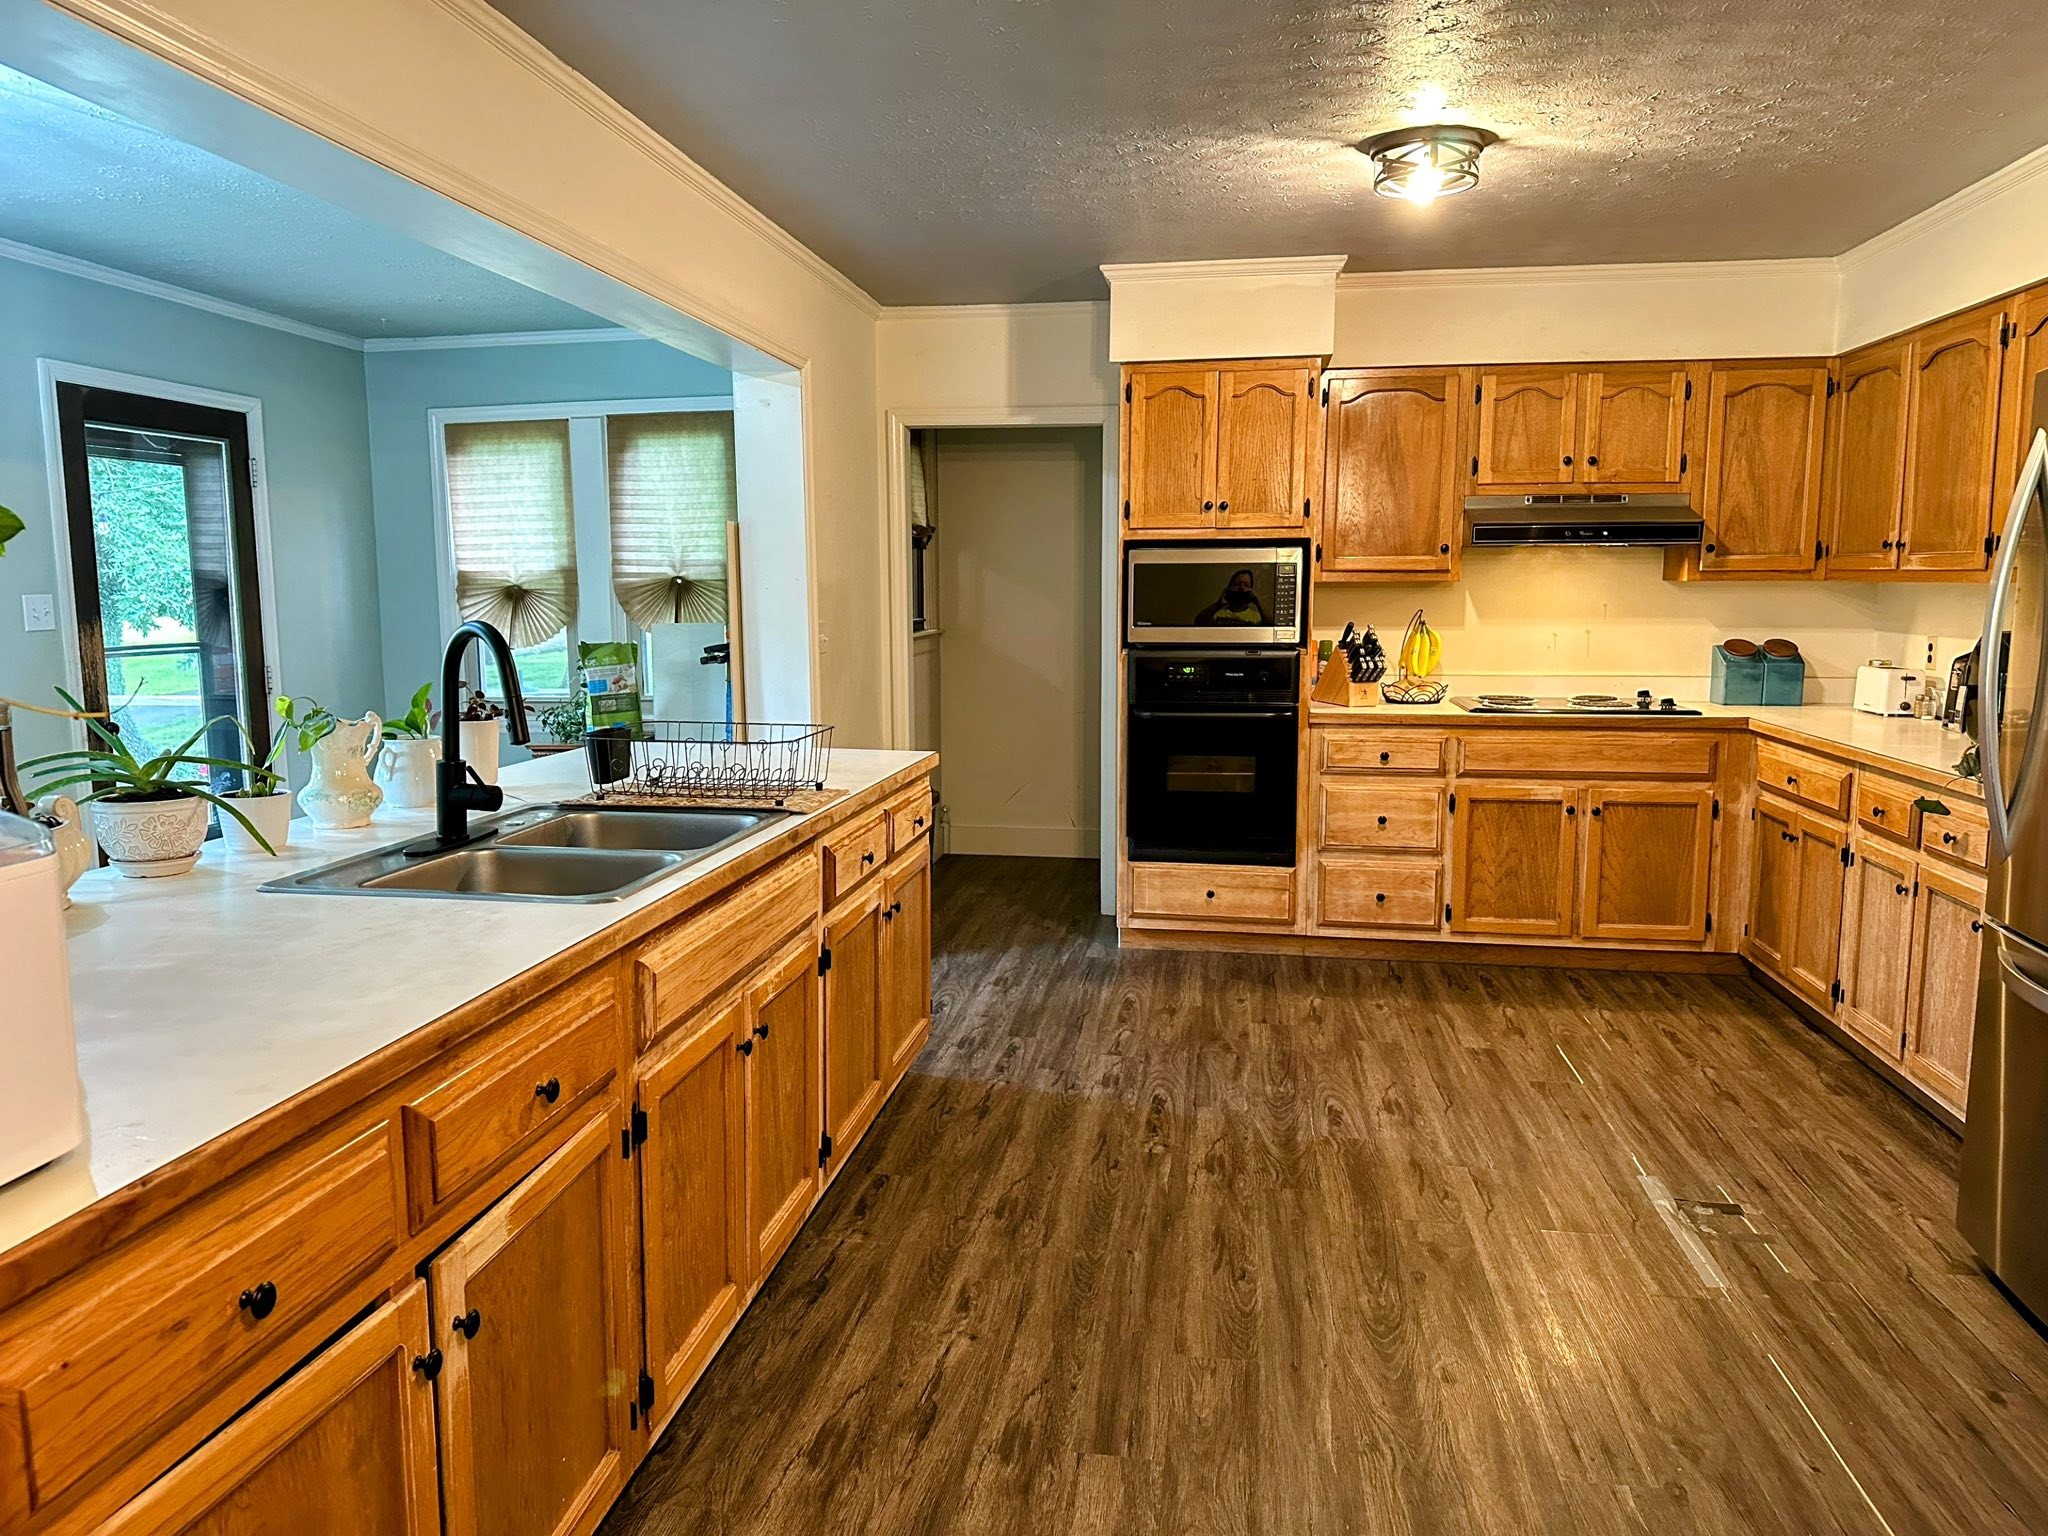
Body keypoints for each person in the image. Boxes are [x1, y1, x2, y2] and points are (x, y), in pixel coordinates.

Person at [1196, 568, 1269, 626]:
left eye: (1246, 585)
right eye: (1237, 584)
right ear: (1229, 588)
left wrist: (1259, 604)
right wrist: (1218, 604)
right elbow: (1198, 622)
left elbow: (1273, 627)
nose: (1241, 587)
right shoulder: (1217, 613)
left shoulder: (1257, 617)